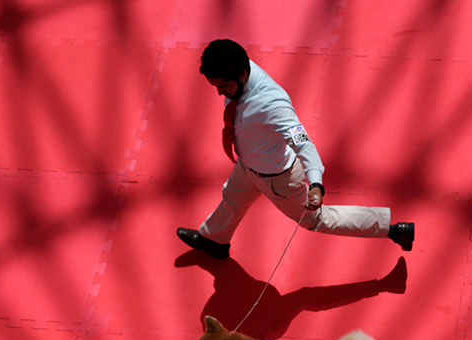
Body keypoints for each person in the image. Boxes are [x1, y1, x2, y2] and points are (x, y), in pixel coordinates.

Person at [177, 39, 413, 259]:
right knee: (232, 198)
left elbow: (302, 141)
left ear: (242, 73)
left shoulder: (273, 104)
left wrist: (316, 183)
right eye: (216, 86)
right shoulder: (238, 71)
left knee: (319, 220)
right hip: (248, 166)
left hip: (278, 181)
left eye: (224, 86)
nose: (220, 93)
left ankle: (392, 230)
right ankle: (214, 240)